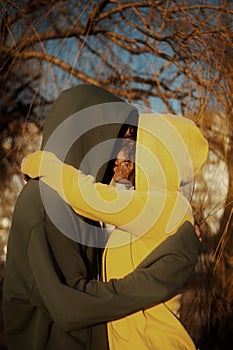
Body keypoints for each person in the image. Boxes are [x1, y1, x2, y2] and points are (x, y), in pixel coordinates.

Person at [21, 85, 209, 349]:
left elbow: (89, 196)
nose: (125, 154)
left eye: (137, 144)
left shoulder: (164, 207)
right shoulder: (151, 207)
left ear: (158, 153)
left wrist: (45, 164)